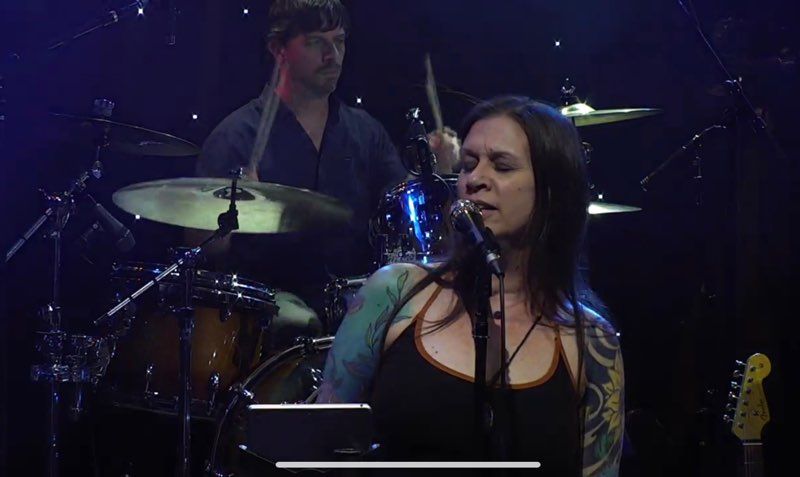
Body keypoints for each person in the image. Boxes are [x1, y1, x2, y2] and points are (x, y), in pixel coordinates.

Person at [317, 96, 624, 476]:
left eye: (502, 165)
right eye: (468, 164)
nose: (474, 179)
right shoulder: (394, 291)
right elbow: (319, 450)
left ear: (552, 189)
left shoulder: (592, 341)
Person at [193, 0, 458, 343]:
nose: (332, 56)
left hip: (356, 317)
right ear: (278, 49)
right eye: (316, 42)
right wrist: (234, 211)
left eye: (339, 41)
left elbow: (409, 225)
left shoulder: (365, 133)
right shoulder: (236, 137)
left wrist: (440, 176)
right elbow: (203, 250)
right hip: (264, 328)